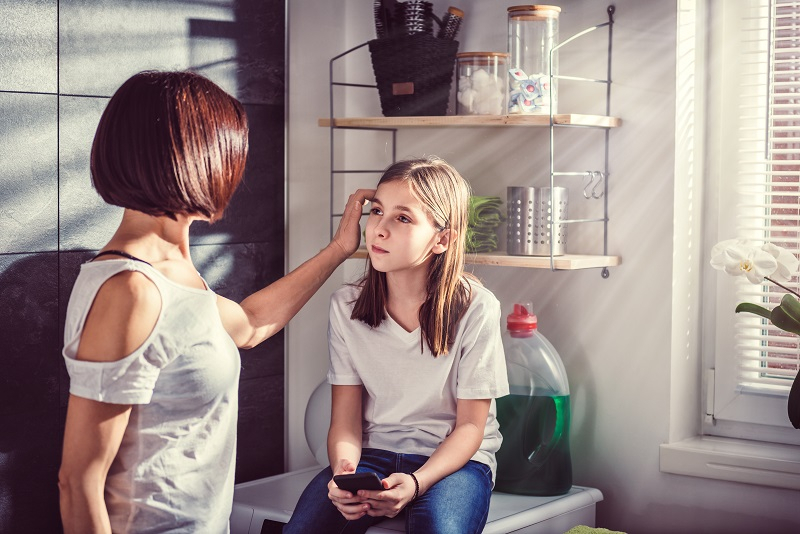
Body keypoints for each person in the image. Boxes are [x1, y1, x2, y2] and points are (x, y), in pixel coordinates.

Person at [57, 70, 372, 534]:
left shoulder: (174, 273)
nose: (235, 168)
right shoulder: (130, 291)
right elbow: (78, 481)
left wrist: (339, 249)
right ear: (192, 159)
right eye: (229, 152)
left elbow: (250, 324)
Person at [284, 157, 510, 534]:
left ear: (443, 238)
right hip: (371, 457)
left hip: (456, 463)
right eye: (376, 211)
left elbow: (471, 427)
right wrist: (344, 473)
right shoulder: (346, 305)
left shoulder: (476, 307)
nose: (379, 229)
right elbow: (344, 420)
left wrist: (419, 482)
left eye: (402, 218)